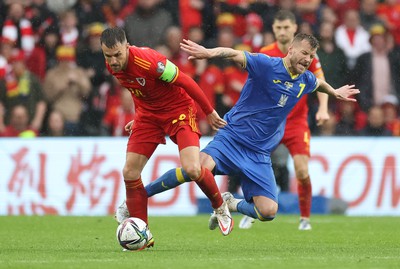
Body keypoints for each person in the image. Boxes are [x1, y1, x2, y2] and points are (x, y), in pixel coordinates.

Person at [117, 33, 359, 235]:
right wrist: (209, 52)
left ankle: (231, 202)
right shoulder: (266, 65)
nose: (307, 59)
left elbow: (319, 84)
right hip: (231, 138)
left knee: (268, 212)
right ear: (291, 49)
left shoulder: (305, 80)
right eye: (304, 53)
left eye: (311, 56)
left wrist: (334, 92)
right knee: (195, 169)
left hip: (259, 153)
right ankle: (139, 197)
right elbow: (234, 54)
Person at [100, 27, 233, 249]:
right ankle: (143, 234)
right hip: (148, 116)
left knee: (192, 168)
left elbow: (186, 81)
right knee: (130, 172)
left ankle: (220, 206)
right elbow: (138, 89)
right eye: (108, 56)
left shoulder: (149, 60)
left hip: (178, 110)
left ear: (127, 47)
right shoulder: (112, 65)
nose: (113, 61)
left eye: (117, 55)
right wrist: (140, 116)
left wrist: (209, 111)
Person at [239, 10, 330, 230]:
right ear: (273, 29)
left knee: (302, 171)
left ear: (294, 28)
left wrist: (323, 109)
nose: (282, 32)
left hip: (297, 122)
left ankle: (305, 219)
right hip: (269, 122)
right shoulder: (266, 53)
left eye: (286, 27)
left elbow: (320, 81)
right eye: (278, 28)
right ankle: (252, 209)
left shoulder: (308, 55)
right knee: (252, 165)